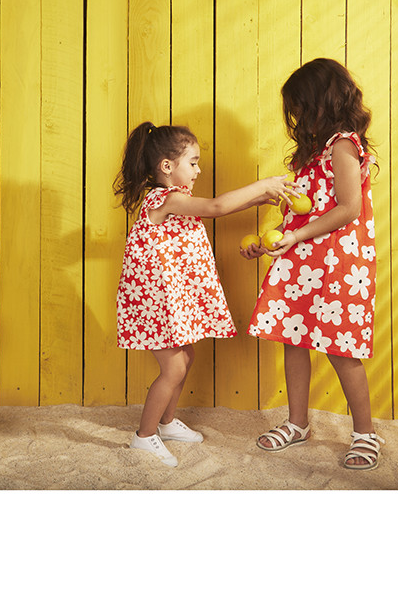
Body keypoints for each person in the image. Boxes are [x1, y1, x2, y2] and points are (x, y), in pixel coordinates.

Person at [114, 121, 293, 467]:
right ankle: (144, 435)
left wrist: (263, 197)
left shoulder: (177, 200)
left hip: (170, 298)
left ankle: (165, 424)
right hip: (156, 301)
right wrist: (262, 185)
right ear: (167, 167)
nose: (199, 170)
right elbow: (215, 208)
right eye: (193, 162)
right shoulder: (164, 199)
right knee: (173, 369)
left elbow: (216, 208)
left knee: (185, 360)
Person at [241, 58, 384, 469]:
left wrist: (297, 236)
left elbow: (348, 208)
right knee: (294, 340)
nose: (297, 117)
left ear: (324, 101)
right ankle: (298, 422)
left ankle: (364, 434)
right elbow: (302, 213)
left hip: (338, 262)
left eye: (301, 107)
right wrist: (271, 241)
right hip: (302, 258)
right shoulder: (312, 153)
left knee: (342, 351)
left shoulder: (343, 144)